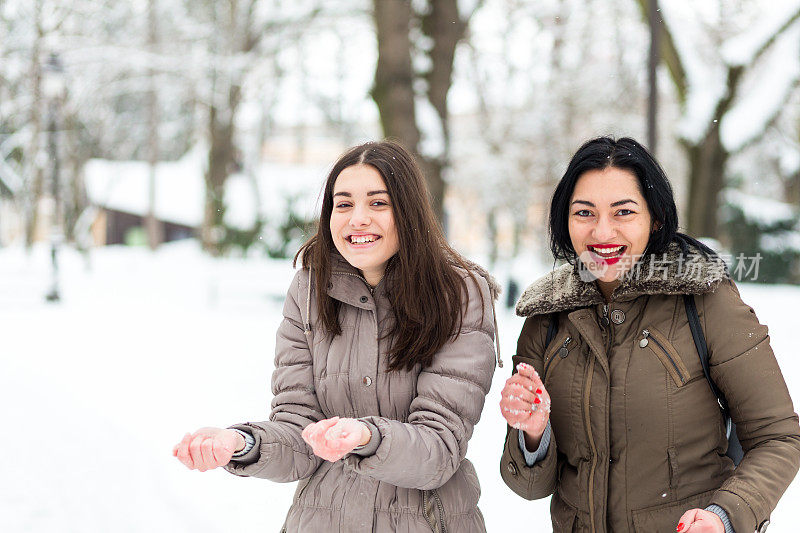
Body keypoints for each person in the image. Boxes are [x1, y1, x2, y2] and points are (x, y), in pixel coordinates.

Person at [174, 140, 499, 532]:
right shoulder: (310, 290)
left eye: (378, 203)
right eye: (343, 204)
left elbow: (439, 450)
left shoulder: (459, 295)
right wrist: (243, 445)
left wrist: (366, 436)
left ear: (409, 212)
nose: (357, 219)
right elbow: (298, 430)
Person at [499, 136, 800, 533]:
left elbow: (778, 437)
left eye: (623, 212)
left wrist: (724, 516)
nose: (602, 232)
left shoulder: (705, 300)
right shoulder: (547, 317)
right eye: (584, 213)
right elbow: (531, 485)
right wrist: (533, 434)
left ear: (655, 217)